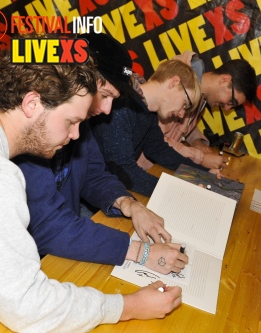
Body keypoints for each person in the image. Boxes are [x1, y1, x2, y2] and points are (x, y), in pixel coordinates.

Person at [0, 49, 181, 332]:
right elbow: (28, 307)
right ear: (32, 103)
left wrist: (129, 204)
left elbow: (93, 173)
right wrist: (130, 306)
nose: (78, 134)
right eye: (71, 122)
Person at [13, 32, 188, 273]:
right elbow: (49, 227)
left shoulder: (79, 124)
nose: (107, 110)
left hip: (62, 250)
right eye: (105, 95)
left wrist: (129, 204)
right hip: (26, 261)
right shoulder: (35, 131)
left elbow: (94, 175)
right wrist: (139, 251)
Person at [91, 59, 208, 197]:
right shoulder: (122, 106)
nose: (182, 114)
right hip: (96, 195)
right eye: (185, 104)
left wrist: (203, 174)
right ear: (174, 82)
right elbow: (123, 169)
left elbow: (159, 150)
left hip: (110, 188)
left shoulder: (148, 112)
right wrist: (176, 193)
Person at [137, 52, 257, 171]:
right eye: (232, 101)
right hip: (138, 167)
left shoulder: (201, 97)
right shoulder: (181, 85)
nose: (227, 108)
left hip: (157, 166)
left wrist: (197, 141)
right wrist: (201, 158)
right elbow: (155, 139)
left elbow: (184, 126)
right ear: (225, 80)